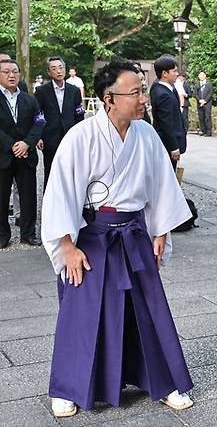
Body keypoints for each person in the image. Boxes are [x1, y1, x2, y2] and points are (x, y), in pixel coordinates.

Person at [41, 60, 194, 417]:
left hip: (135, 232)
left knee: (148, 308)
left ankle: (163, 380)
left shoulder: (147, 135)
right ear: (109, 98)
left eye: (143, 90)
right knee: (83, 311)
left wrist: (161, 230)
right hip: (92, 237)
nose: (144, 99)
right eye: (136, 92)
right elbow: (60, 193)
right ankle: (69, 386)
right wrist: (66, 246)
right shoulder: (81, 137)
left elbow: (161, 186)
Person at [0, 58, 43, 248]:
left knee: (28, 197)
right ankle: (2, 235)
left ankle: (28, 233)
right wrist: (12, 145)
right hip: (3, 155)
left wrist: (27, 143)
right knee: (1, 197)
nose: (11, 75)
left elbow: (40, 122)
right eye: (6, 72)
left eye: (15, 72)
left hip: (27, 155)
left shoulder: (29, 98)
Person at [35, 57, 85, 187]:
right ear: (49, 72)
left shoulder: (74, 90)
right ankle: (49, 204)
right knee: (50, 171)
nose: (58, 71)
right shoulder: (42, 91)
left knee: (71, 171)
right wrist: (39, 136)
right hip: (50, 136)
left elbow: (79, 113)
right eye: (54, 68)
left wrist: (81, 135)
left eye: (61, 67)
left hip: (70, 135)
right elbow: (38, 114)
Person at [150, 56, 186, 169]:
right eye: (174, 71)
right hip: (167, 144)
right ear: (165, 73)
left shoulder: (168, 88)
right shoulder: (162, 94)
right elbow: (166, 123)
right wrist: (174, 147)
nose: (176, 74)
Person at [194, 71, 213, 136]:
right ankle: (203, 130)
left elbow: (210, 94)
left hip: (207, 103)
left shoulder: (209, 84)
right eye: (200, 75)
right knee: (201, 117)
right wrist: (199, 100)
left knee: (207, 117)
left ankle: (208, 132)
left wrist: (205, 101)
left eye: (202, 75)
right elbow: (195, 94)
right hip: (199, 103)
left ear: (205, 76)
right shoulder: (197, 85)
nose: (201, 77)